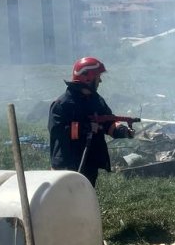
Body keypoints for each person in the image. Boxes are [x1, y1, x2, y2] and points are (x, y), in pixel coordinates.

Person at [49, 56, 134, 187]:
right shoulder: (63, 104)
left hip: (89, 161)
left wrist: (122, 131)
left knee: (86, 199)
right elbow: (58, 132)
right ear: (87, 78)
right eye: (98, 76)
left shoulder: (96, 100)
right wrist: (86, 127)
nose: (100, 80)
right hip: (67, 165)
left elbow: (107, 121)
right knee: (67, 203)